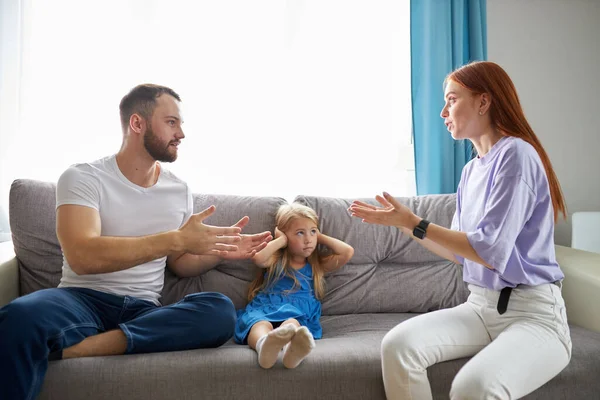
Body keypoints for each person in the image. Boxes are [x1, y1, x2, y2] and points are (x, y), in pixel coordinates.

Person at [0, 84, 273, 400]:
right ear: (137, 123)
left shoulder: (178, 189)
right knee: (17, 318)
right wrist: (174, 239)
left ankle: (81, 350)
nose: (181, 133)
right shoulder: (82, 177)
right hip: (80, 299)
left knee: (219, 311)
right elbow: (82, 255)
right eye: (171, 122)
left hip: (144, 310)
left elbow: (180, 263)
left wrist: (221, 252)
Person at [349, 61, 571, 400]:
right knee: (399, 345)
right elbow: (459, 254)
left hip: (534, 315)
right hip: (481, 306)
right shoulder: (470, 171)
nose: (443, 112)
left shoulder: (516, 154)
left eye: (452, 99)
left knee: (475, 387)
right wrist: (406, 228)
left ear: (483, 102)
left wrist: (415, 222)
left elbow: (489, 252)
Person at [235, 203, 354, 369]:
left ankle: (291, 352)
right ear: (284, 235)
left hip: (297, 310)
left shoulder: (316, 265)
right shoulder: (277, 260)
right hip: (266, 306)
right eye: (300, 233)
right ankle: (264, 346)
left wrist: (319, 237)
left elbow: (347, 251)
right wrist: (281, 240)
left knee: (292, 324)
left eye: (312, 231)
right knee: (259, 324)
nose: (308, 239)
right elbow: (258, 258)